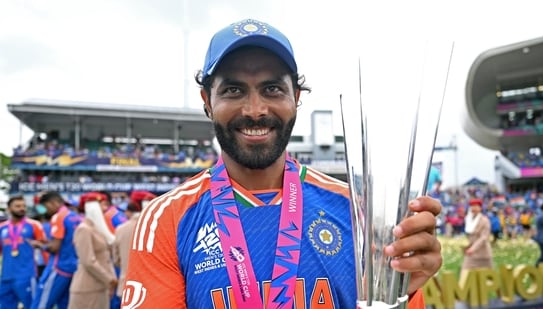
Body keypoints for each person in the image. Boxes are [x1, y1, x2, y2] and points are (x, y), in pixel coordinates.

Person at [122, 18, 442, 308]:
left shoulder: (355, 211)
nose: (255, 109)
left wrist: (400, 293)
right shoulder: (165, 220)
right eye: (233, 90)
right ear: (207, 101)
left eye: (272, 89)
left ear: (296, 97)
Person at [32, 191, 83, 309]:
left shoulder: (58, 217)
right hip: (74, 268)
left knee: (41, 304)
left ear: (53, 203)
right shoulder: (77, 217)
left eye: (45, 207)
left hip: (58, 268)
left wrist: (39, 246)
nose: (45, 211)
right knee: (65, 304)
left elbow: (55, 247)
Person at [68, 192, 117, 309]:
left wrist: (110, 280)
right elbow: (88, 261)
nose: (105, 209)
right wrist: (109, 279)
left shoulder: (97, 229)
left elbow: (105, 258)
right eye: (102, 205)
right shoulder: (84, 230)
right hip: (88, 287)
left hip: (100, 285)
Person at [0, 195, 47, 309]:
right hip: (6, 276)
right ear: (9, 209)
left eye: (24, 206)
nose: (22, 208)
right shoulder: (2, 227)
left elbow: (46, 247)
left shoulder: (34, 225)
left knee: (32, 306)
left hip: (27, 275)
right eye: (17, 206)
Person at [112, 190, 156, 300]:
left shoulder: (120, 229)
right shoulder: (159, 227)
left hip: (127, 285)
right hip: (153, 287)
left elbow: (117, 259)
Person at [460, 198, 493, 284]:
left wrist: (473, 248)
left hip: (483, 254)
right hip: (472, 254)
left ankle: (500, 295)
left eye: (475, 206)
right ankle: (462, 293)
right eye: (472, 206)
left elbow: (483, 238)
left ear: (480, 208)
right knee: (465, 273)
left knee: (490, 278)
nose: (473, 208)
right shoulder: (468, 220)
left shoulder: (485, 221)